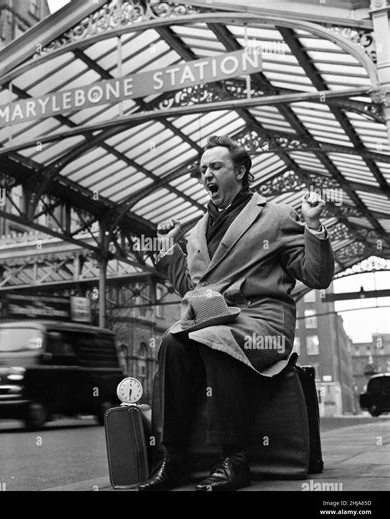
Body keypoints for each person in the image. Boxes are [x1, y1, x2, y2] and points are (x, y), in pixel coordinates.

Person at [138, 135, 335, 492]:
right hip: (211, 317)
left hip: (262, 321)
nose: (206, 175)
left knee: (215, 337)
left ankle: (235, 459)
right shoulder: (196, 230)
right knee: (171, 341)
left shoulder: (275, 217)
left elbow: (315, 275)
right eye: (202, 169)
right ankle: (172, 458)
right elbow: (190, 287)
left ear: (240, 171)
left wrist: (313, 226)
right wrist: (169, 250)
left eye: (215, 166)